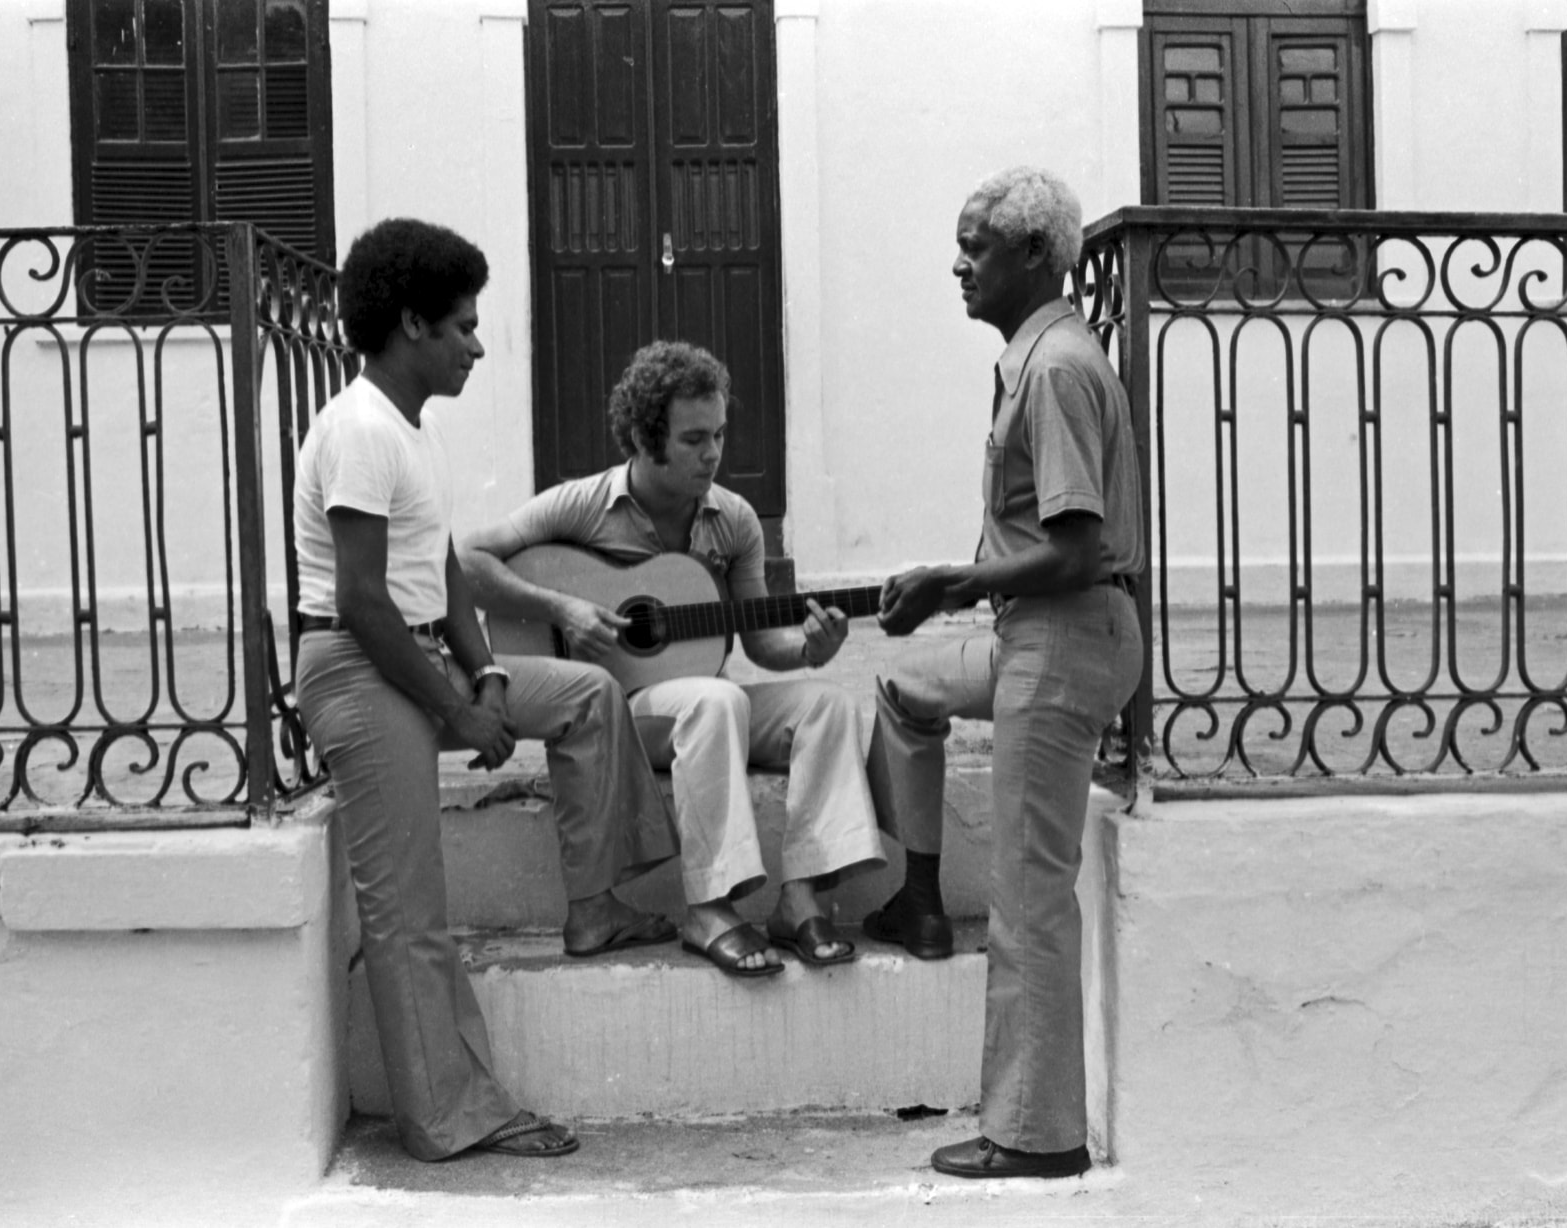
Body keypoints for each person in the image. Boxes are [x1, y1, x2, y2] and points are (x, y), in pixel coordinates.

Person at [292, 218, 680, 1162]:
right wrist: (455, 706)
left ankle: (596, 906)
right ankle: (447, 1115)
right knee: (408, 910)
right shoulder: (358, 431)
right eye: (463, 325)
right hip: (360, 666)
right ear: (413, 323)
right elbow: (361, 601)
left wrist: (493, 673)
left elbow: (446, 577)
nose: (475, 344)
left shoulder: (410, 433)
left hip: (423, 659)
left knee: (588, 695)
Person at [863, 167, 1145, 1179]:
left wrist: (952, 581)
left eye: (975, 245)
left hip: (1064, 636)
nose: (959, 264)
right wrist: (945, 590)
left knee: (1030, 895)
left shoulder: (1058, 368)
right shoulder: (1041, 359)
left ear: (1034, 253)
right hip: (1041, 634)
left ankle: (1036, 1133)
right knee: (903, 689)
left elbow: (1077, 549)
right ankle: (918, 892)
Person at [459, 340, 887, 979]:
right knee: (716, 699)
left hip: (695, 707)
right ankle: (710, 908)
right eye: (693, 440)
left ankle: (801, 898)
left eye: (718, 434)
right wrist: (562, 609)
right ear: (641, 436)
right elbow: (469, 563)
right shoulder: (585, 504)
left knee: (827, 704)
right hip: (624, 710)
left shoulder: (734, 520)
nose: (713, 453)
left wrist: (810, 648)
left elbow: (761, 643)